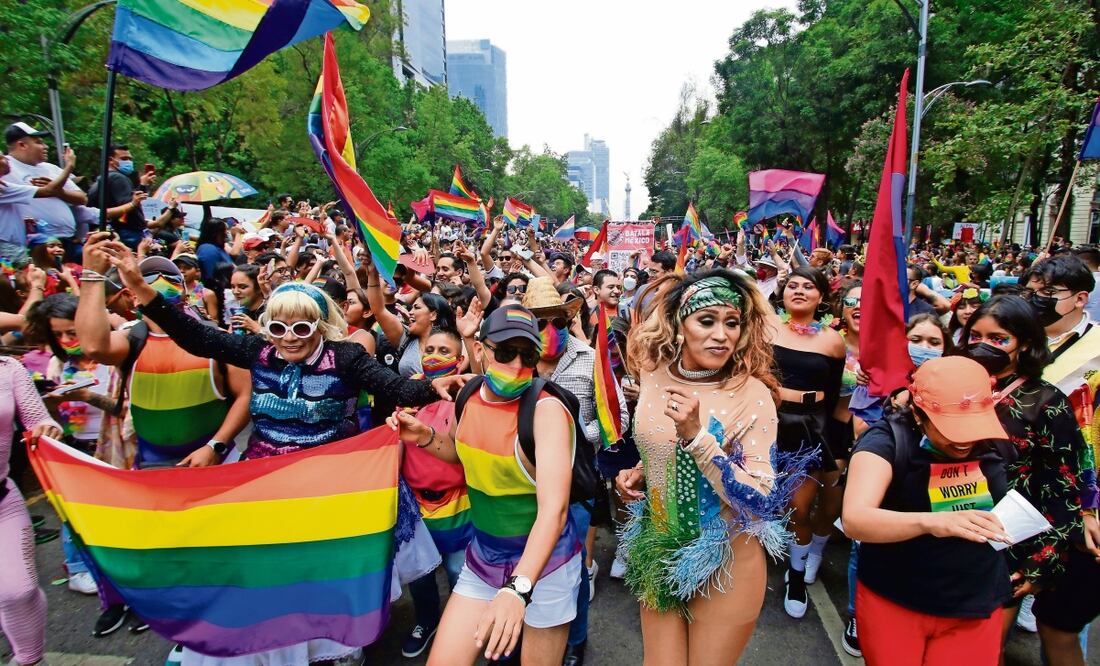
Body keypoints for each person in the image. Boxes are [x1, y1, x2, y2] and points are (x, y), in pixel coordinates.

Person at [614, 269, 803, 664]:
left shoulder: (752, 394)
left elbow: (759, 500)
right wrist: (641, 471)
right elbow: (657, 445)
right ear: (679, 324)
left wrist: (698, 437)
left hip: (727, 562)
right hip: (660, 550)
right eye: (707, 321)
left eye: (731, 323)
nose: (722, 334)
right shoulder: (652, 375)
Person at [390, 304, 581, 666]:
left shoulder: (546, 411)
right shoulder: (468, 395)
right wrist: (423, 435)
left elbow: (554, 511)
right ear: (480, 350)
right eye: (506, 352)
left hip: (547, 566)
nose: (517, 365)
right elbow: (460, 452)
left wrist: (519, 588)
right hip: (484, 559)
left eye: (528, 354)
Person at [844, 356, 1014, 666]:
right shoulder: (886, 442)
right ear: (919, 415)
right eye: (950, 427)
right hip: (896, 599)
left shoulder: (995, 442)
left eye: (973, 424)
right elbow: (856, 518)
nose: (964, 439)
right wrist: (933, 522)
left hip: (974, 603)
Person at [522, 277, 628, 666]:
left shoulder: (589, 358)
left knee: (572, 570)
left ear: (568, 321)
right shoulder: (517, 359)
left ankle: (576, 640)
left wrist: (580, 434)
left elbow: (619, 416)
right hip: (523, 483)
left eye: (557, 321)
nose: (549, 330)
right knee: (528, 564)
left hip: (577, 483)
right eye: (538, 322)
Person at [768, 267, 846, 618]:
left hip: (810, 430)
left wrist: (836, 440)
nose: (798, 291)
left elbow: (835, 397)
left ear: (821, 297)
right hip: (768, 424)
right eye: (792, 285)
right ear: (783, 293)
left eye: (808, 287)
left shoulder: (833, 340)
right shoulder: (767, 329)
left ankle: (796, 574)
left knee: (799, 506)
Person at [0, 354, 63, 666]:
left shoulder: (8, 369)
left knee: (19, 592)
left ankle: (29, 660)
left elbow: (39, 418)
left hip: (3, 504)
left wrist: (47, 428)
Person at [3, 122, 87, 258]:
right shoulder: (5, 169)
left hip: (67, 240)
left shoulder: (51, 168)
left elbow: (82, 198)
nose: (45, 147)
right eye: (39, 142)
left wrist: (60, 192)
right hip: (35, 244)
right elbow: (47, 191)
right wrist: (69, 166)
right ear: (22, 145)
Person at [0, 146, 78, 267]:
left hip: (14, 244)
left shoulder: (4, 185)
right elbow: (48, 190)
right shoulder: (2, 188)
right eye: (1, 158)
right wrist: (69, 166)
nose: (6, 160)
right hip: (7, 245)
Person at [87, 144, 157, 249]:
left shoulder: (101, 179)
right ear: (111, 160)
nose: (128, 162)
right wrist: (142, 186)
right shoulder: (118, 178)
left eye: (130, 159)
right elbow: (128, 206)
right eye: (124, 159)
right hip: (127, 233)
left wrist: (143, 185)